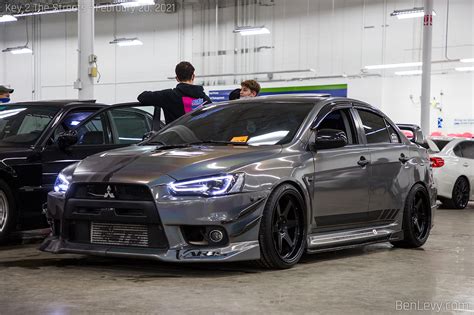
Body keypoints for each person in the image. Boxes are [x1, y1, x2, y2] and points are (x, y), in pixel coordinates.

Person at [138, 61, 211, 125]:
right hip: (200, 140)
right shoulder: (205, 99)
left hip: (176, 139)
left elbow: (142, 97)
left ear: (177, 78)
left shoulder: (169, 96)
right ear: (193, 76)